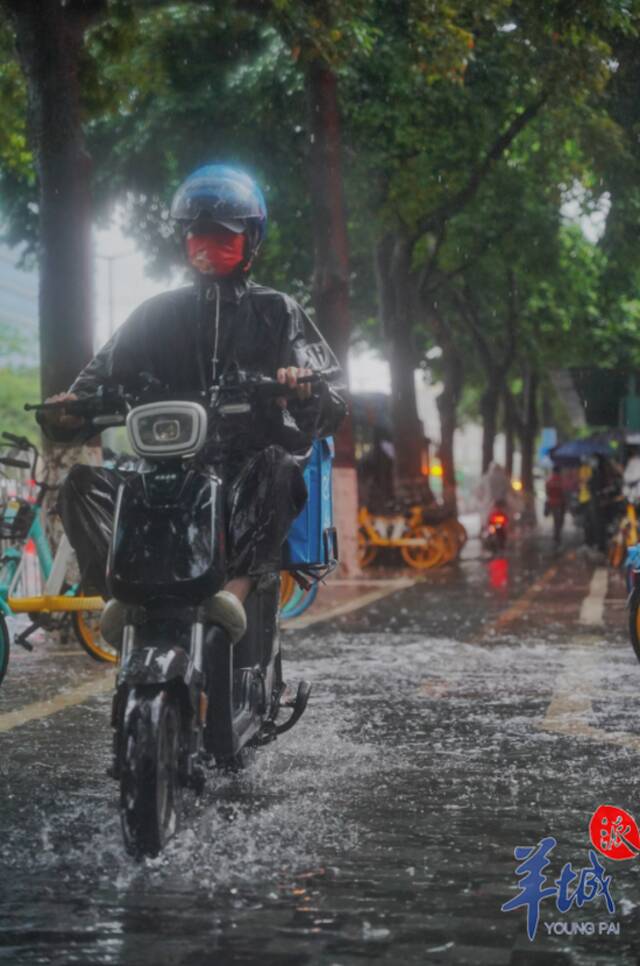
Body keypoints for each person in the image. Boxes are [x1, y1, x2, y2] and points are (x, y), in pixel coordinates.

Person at [41, 164, 346, 643]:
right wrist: (67, 412)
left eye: (225, 236)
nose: (209, 247)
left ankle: (236, 592)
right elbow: (88, 391)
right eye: (198, 235)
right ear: (184, 242)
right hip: (166, 480)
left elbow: (332, 403)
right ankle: (118, 599)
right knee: (81, 486)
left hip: (247, 479)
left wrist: (305, 388)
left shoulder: (279, 312)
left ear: (251, 241)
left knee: (282, 465)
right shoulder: (152, 316)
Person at [545, 464, 566, 547]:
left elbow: (547, 491)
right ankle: (557, 534)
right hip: (560, 503)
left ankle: (556, 534)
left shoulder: (549, 480)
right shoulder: (561, 480)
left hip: (553, 502)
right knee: (560, 520)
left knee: (556, 519)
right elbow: (564, 491)